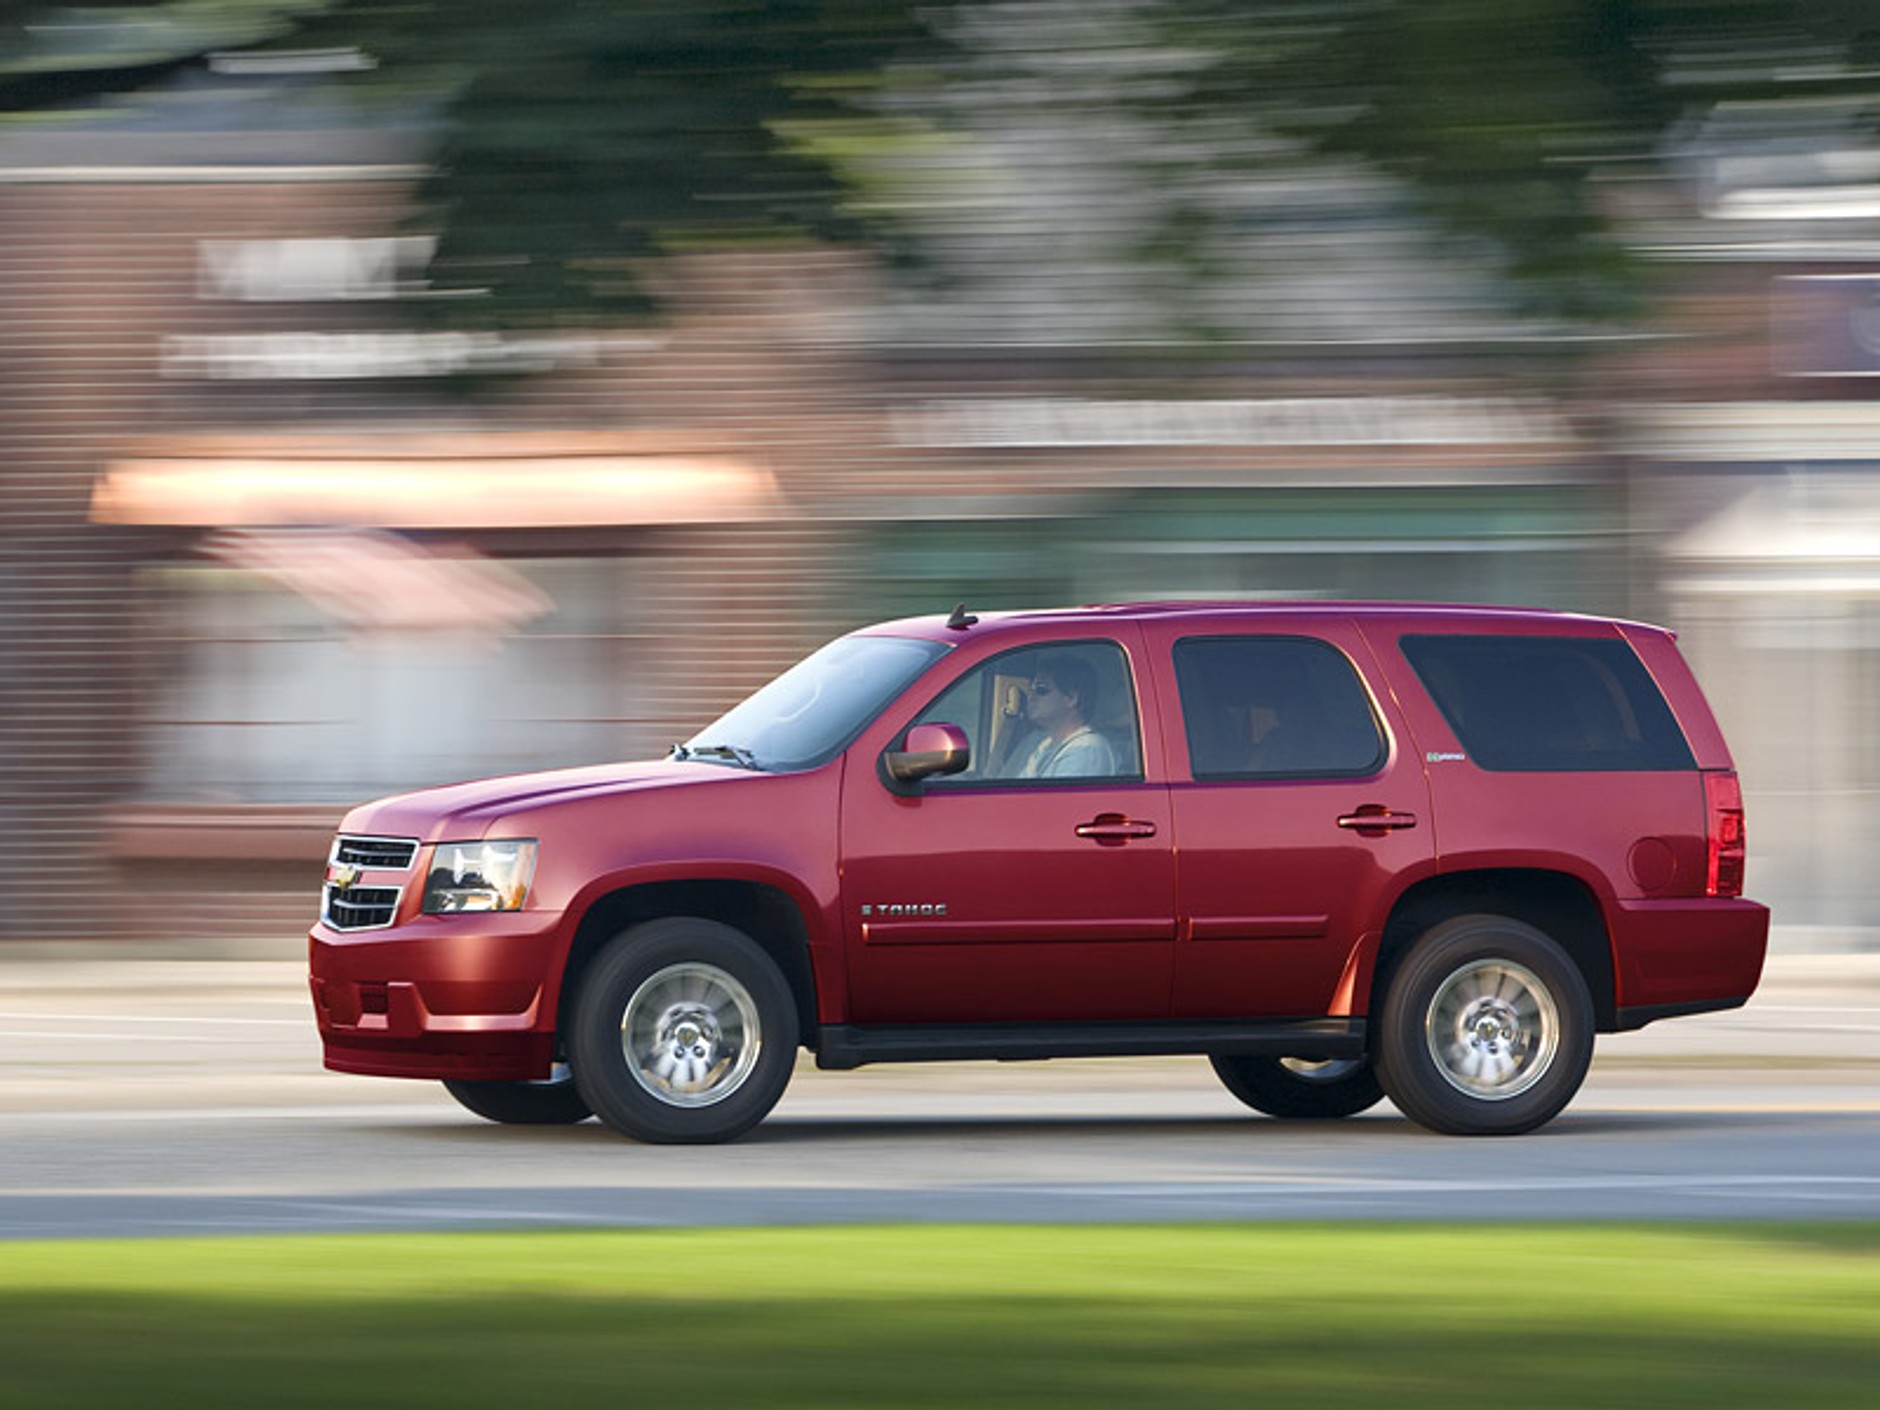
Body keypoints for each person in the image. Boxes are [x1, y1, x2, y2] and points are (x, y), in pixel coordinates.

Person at [1013, 654, 1119, 779]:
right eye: (1030, 690)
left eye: (1041, 689)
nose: (1031, 696)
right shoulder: (1045, 745)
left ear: (1071, 698)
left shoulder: (1086, 749)